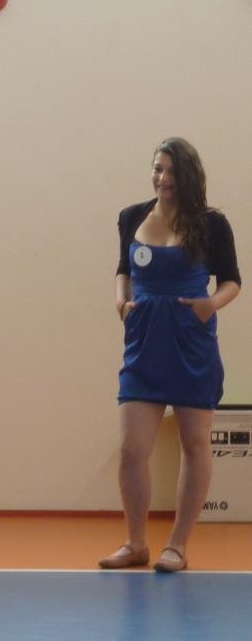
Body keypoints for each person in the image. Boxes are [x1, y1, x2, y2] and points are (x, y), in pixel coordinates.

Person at [100, 137, 241, 573]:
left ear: (188, 176)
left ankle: (177, 545)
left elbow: (232, 281)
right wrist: (121, 303)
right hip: (144, 343)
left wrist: (208, 306)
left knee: (194, 443)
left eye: (172, 171)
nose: (163, 178)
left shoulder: (212, 224)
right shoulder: (131, 217)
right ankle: (136, 543)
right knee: (131, 448)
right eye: (158, 169)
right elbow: (123, 271)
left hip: (191, 343)